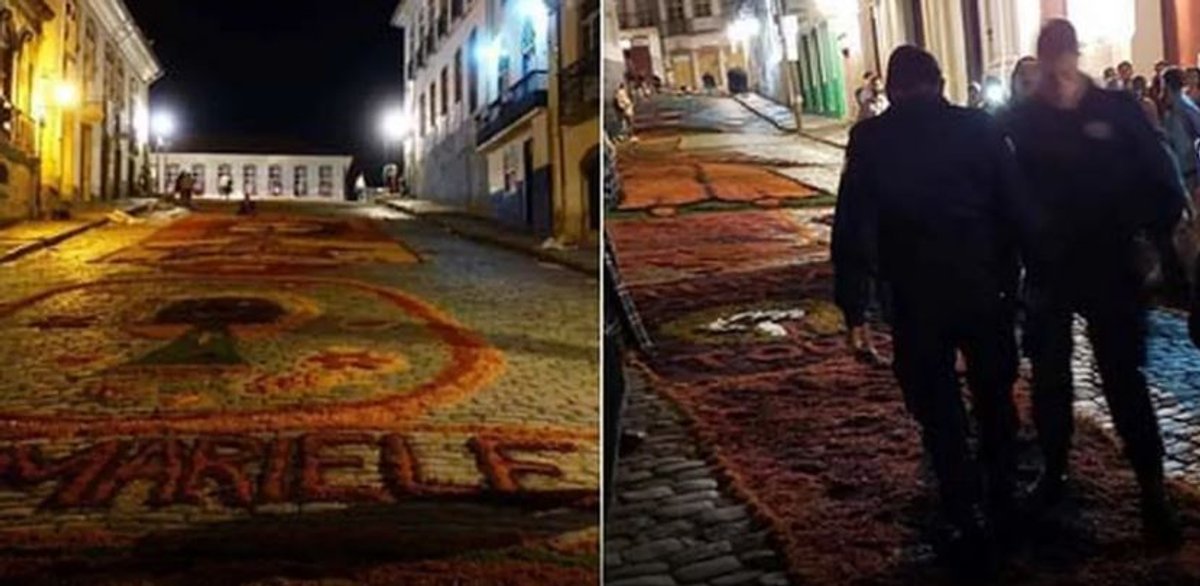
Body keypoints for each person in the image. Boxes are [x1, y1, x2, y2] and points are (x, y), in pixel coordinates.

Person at [833, 45, 1026, 568]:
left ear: (891, 90)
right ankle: (1003, 496)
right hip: (985, 289)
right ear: (940, 82)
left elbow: (853, 229)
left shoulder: (871, 139)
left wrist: (855, 312)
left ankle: (964, 511)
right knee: (994, 399)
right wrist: (1019, 284)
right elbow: (1014, 208)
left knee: (939, 414)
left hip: (917, 299)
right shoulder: (981, 128)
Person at [1004, 19, 1185, 547]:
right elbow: (1005, 189)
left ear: (1072, 58)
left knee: (1123, 381)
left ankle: (1152, 491)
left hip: (1109, 265)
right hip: (1049, 269)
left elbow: (1160, 177)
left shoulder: (1115, 109)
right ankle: (1056, 475)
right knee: (1050, 380)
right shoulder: (1022, 119)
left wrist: (1150, 238)